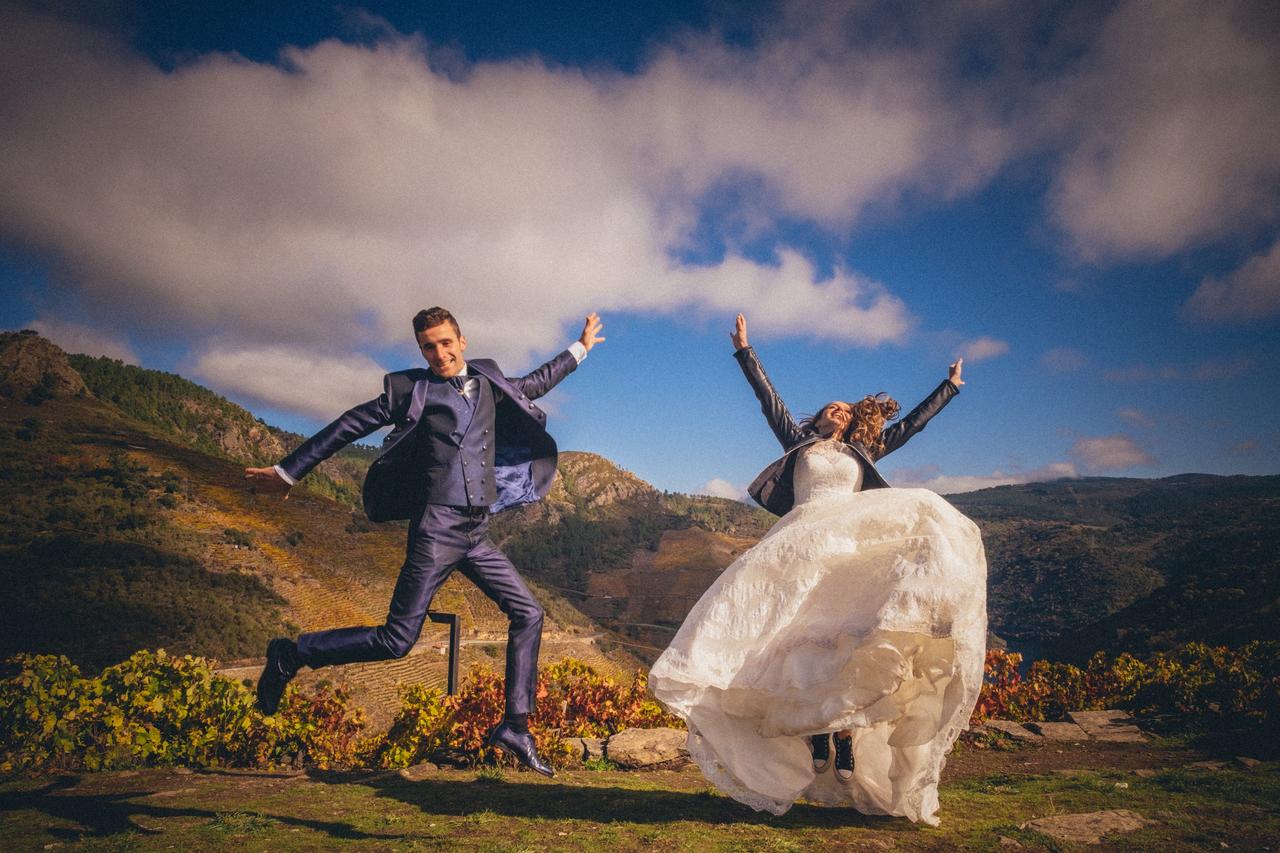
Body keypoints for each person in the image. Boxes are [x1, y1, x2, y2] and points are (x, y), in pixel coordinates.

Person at [649, 313, 987, 825]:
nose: (837, 409)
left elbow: (911, 426)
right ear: (820, 419)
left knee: (842, 643)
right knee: (797, 639)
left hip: (846, 545)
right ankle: (816, 737)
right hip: (799, 543)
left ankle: (844, 738)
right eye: (832, 406)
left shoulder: (863, 449)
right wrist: (745, 350)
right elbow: (769, 400)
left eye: (845, 410)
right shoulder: (798, 443)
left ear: (852, 424)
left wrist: (949, 387)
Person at [244, 307, 605, 777]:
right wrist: (289, 470)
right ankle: (293, 654)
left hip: (477, 532)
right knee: (397, 641)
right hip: (437, 529)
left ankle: (515, 725)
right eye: (428, 347)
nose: (439, 353)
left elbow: (536, 382)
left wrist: (579, 348)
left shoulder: (490, 381)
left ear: (462, 340)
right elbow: (350, 424)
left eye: (445, 343)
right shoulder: (412, 390)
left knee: (529, 612)